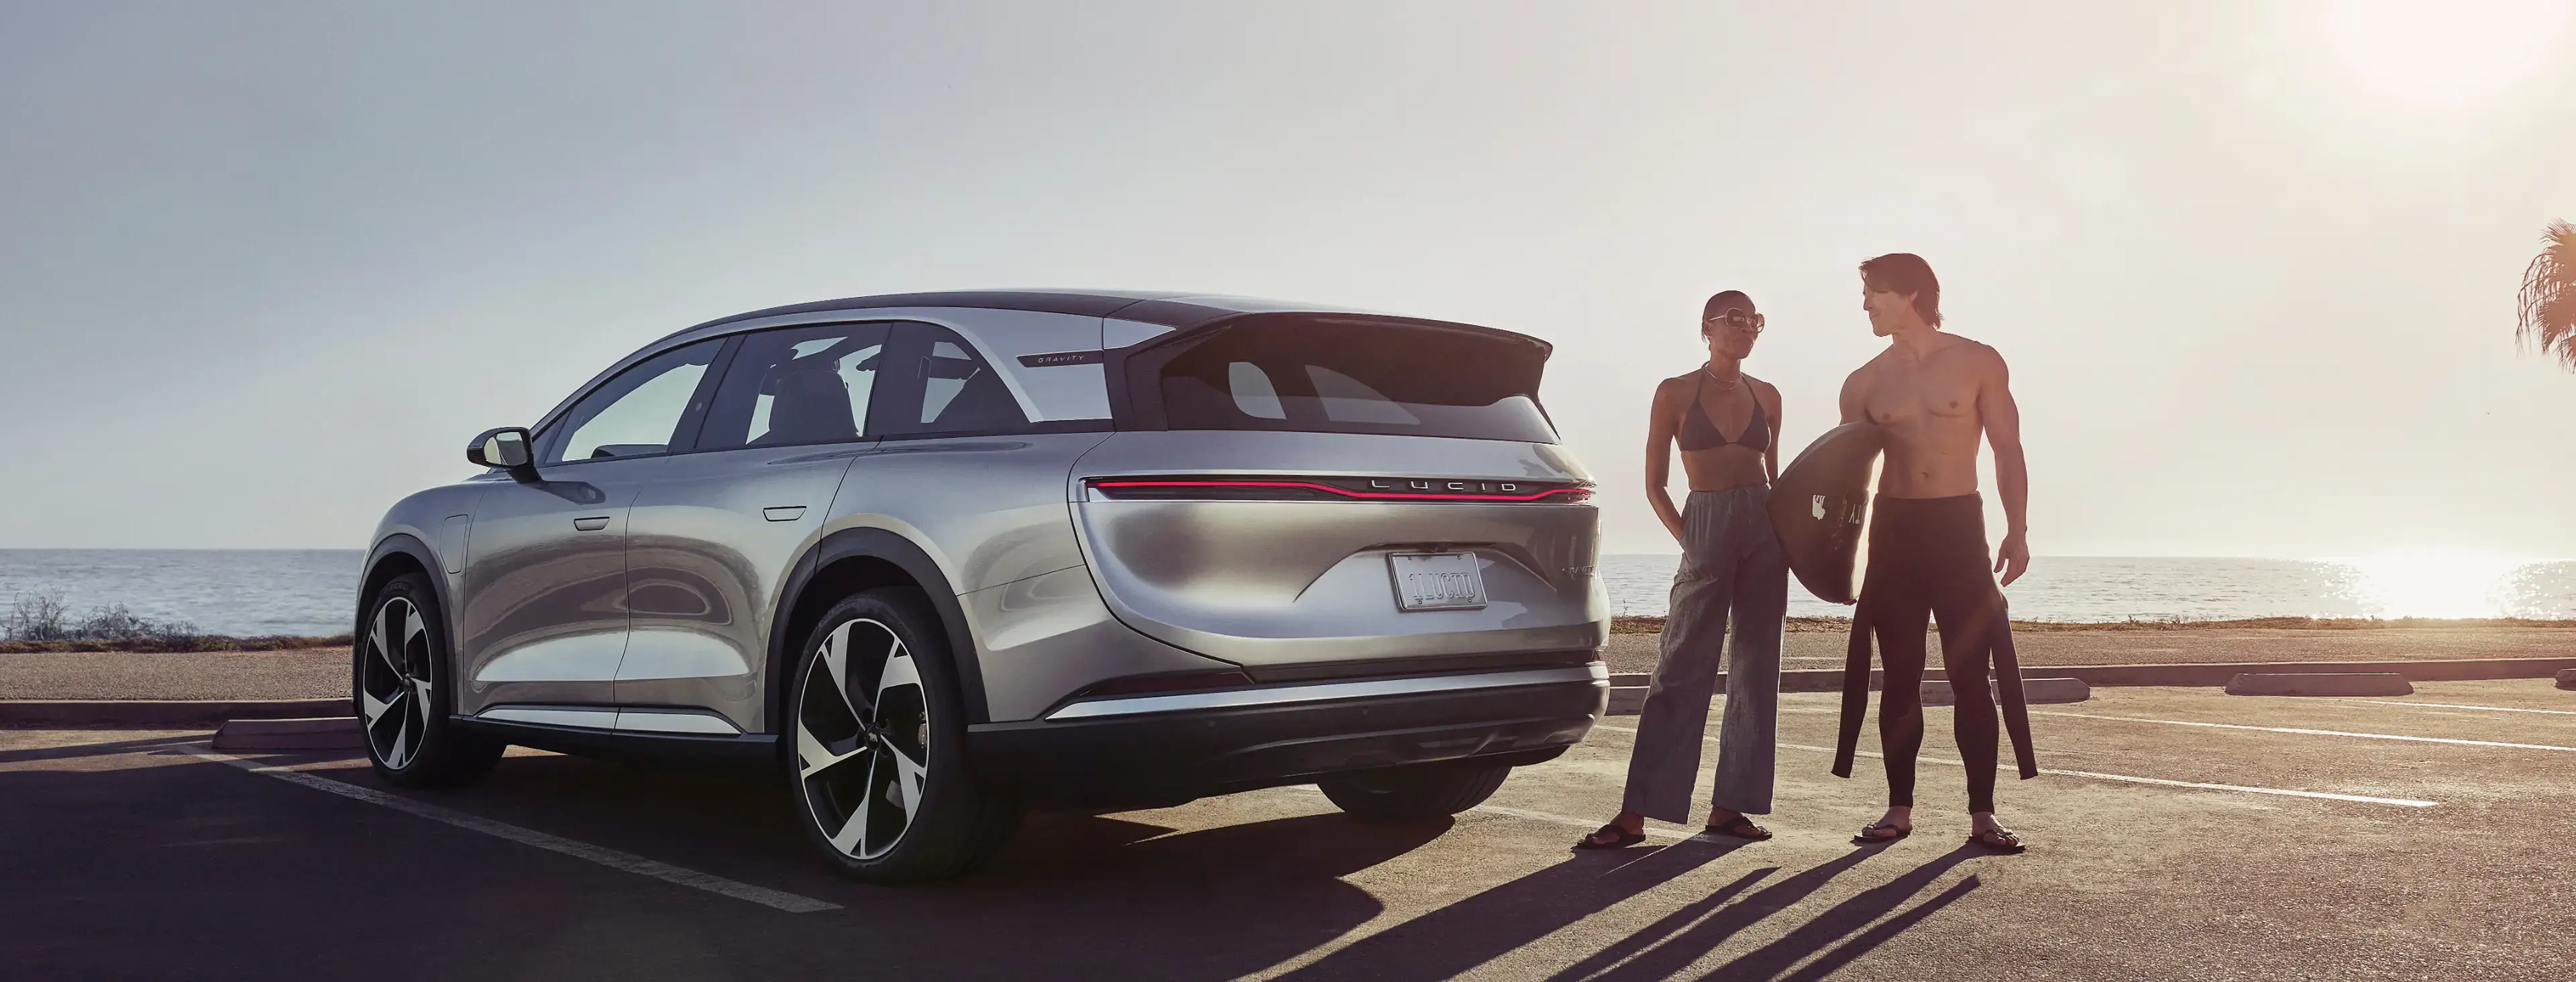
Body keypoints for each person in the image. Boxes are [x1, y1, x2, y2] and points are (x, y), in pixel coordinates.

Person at [1829, 253, 2038, 853]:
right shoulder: (1863, 383)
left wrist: (2017, 529)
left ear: (1910, 294)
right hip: (1894, 534)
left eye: (1873, 292)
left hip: (1958, 528)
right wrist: (1838, 561)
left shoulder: (1978, 362)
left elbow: (2007, 448)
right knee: (1899, 678)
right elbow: (1844, 483)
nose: (1865, 304)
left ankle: (1983, 815)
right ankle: (1899, 809)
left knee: (1973, 677)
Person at [1579, 290, 1787, 849]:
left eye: (1755, 322)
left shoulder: (1768, 396)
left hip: (1764, 530)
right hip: (1706, 521)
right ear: (1707, 327)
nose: (1746, 329)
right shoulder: (1674, 392)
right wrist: (1689, 540)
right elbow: (1654, 483)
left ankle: (1730, 807)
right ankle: (1635, 813)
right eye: (1735, 319)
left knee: (1756, 669)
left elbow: (1779, 480)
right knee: (1680, 667)